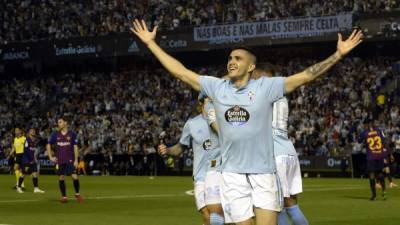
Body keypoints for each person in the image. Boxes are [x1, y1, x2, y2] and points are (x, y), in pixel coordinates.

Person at [131, 19, 363, 224]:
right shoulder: (217, 87)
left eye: (238, 58)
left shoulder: (266, 87)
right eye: (230, 58)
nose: (232, 61)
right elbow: (181, 72)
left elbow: (305, 76)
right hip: (231, 174)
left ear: (251, 67)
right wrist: (151, 44)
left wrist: (338, 55)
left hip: (263, 172)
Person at [252, 66, 308, 225]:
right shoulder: (281, 97)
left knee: (276, 207)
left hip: (275, 154)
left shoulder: (263, 95)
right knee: (291, 204)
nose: (253, 81)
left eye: (256, 78)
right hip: (288, 152)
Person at [158, 95, 224, 225]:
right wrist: (168, 150)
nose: (212, 104)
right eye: (209, 101)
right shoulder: (192, 124)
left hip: (220, 173)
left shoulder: (222, 121)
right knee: (206, 214)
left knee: (217, 215)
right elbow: (180, 148)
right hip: (200, 176)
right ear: (201, 103)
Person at [46, 117, 83, 203]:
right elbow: (48, 145)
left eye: (60, 122)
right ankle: (64, 197)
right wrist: (50, 157)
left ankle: (77, 194)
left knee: (74, 176)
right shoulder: (55, 134)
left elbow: (75, 147)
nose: (58, 124)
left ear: (65, 123)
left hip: (70, 159)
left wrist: (76, 160)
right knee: (61, 177)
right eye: (58, 122)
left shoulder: (72, 134)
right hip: (60, 160)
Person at [359, 120, 387, 200]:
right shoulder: (379, 131)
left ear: (368, 125)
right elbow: (384, 141)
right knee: (380, 173)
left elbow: (359, 140)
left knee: (372, 174)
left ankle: (374, 195)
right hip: (379, 155)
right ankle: (384, 191)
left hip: (371, 156)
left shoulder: (365, 133)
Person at [16, 128, 45, 193]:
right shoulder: (27, 140)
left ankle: (36, 188)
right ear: (29, 133)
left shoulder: (34, 141)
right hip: (26, 160)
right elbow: (26, 151)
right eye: (32, 131)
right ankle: (19, 187)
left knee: (35, 173)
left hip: (32, 159)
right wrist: (29, 160)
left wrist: (33, 159)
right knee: (23, 174)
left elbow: (33, 151)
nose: (33, 132)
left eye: (34, 131)